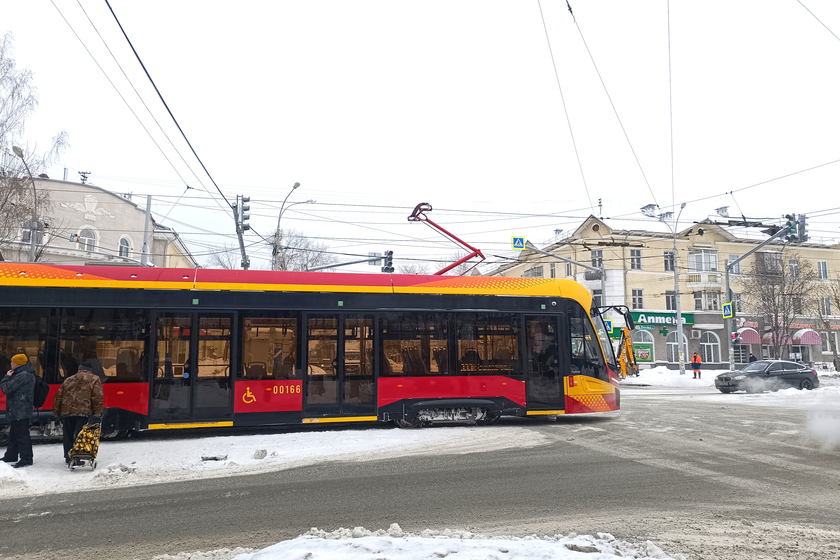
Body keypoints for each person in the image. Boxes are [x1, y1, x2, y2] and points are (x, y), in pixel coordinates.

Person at [52, 359, 104, 465]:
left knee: (68, 435)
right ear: (89, 371)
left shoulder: (69, 379)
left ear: (79, 370)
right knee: (80, 435)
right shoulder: (94, 379)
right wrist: (97, 411)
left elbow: (58, 396)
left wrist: (57, 412)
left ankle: (68, 457)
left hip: (66, 411)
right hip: (83, 412)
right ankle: (77, 457)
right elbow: (97, 396)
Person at [1, 354, 36, 468]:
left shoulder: (23, 375)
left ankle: (26, 458)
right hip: (19, 409)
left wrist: (6, 377)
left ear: (17, 363)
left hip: (20, 410)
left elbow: (6, 388)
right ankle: (11, 455)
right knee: (14, 434)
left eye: (12, 362)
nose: (11, 364)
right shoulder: (23, 374)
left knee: (21, 435)